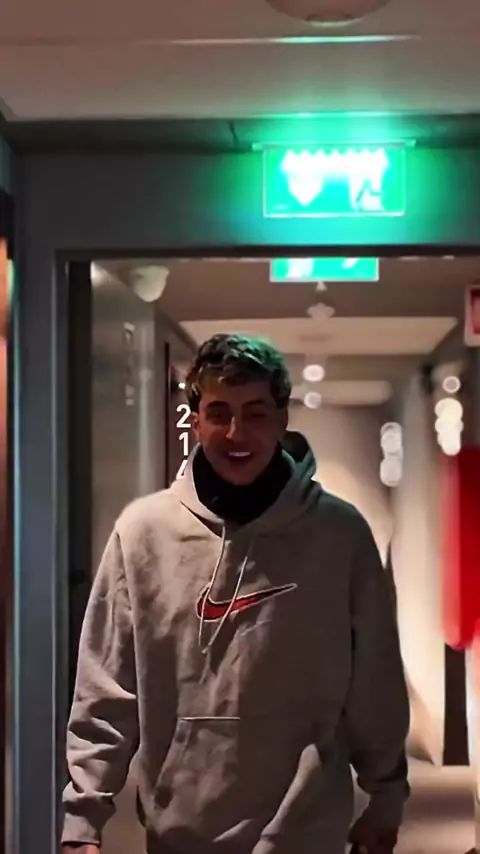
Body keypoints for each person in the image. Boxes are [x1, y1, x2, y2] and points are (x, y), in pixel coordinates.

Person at [62, 333, 410, 854]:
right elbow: (106, 688)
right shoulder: (142, 535)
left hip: (307, 834)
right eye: (219, 412)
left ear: (282, 418)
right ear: (195, 419)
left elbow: (374, 680)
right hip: (180, 836)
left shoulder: (340, 536)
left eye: (255, 413)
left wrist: (386, 796)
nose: (236, 432)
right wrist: (83, 819)